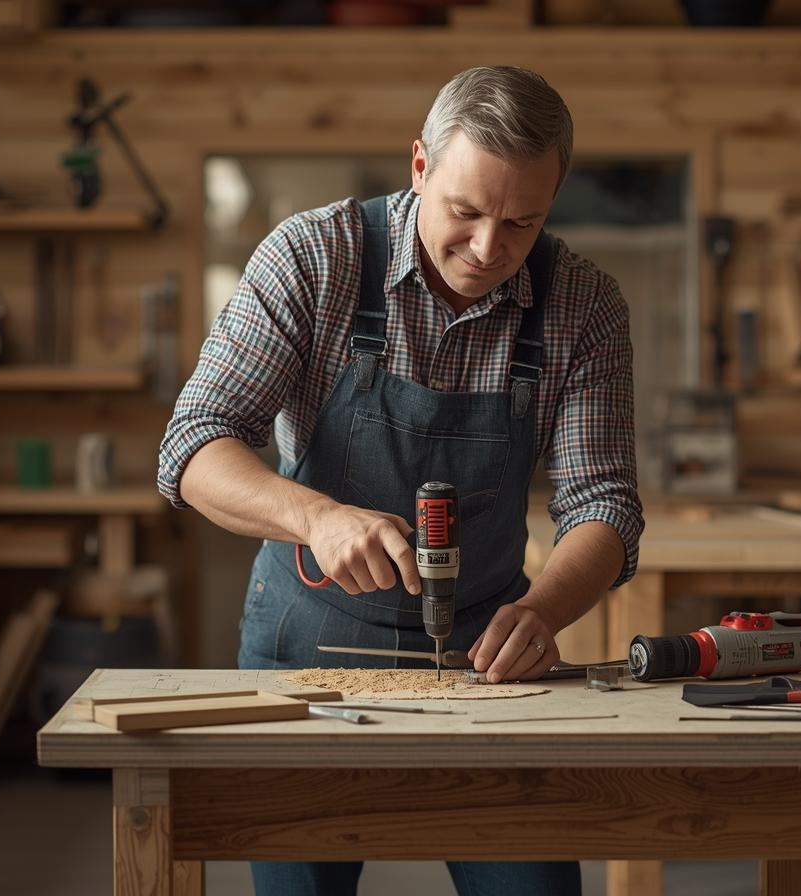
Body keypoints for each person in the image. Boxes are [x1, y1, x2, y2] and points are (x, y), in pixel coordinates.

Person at [157, 64, 643, 896]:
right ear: (420, 168)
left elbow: (604, 504)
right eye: (466, 212)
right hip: (307, 650)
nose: (489, 250)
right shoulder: (315, 257)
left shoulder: (583, 303)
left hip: (486, 658)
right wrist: (316, 517)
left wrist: (543, 611)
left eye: (523, 222)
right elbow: (195, 447)